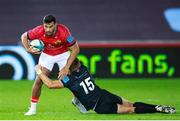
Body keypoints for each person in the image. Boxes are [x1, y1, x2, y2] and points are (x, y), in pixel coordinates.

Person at [35, 58, 176, 114]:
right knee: (130, 103)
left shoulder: (68, 80)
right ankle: (157, 107)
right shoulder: (84, 68)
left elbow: (50, 85)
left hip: (100, 106)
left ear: (68, 69)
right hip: (104, 94)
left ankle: (157, 110)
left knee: (130, 110)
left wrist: (39, 72)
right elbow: (74, 60)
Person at [21, 14, 86, 115]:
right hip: (47, 54)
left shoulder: (64, 32)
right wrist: (28, 49)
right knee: (39, 80)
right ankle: (32, 109)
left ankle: (77, 101)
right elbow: (24, 36)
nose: (48, 29)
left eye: (50, 26)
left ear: (55, 25)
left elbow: (76, 49)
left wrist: (66, 67)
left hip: (63, 54)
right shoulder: (38, 31)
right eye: (46, 26)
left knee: (72, 80)